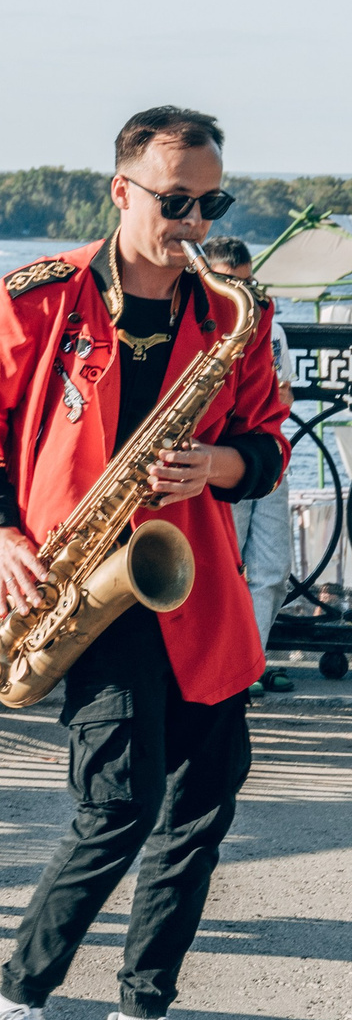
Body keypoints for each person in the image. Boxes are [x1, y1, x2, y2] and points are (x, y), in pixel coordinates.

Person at [0, 106, 288, 1020]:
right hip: (80, 581)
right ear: (121, 191)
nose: (191, 222)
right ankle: (12, 1005)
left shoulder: (232, 312)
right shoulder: (38, 293)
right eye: (172, 200)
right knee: (117, 805)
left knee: (205, 794)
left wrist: (219, 462)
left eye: (209, 202)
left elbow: (267, 440)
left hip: (191, 585)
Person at [203, 235, 297, 696]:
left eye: (248, 282)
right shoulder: (203, 324)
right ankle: (229, 668)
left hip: (264, 457)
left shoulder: (269, 326)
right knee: (229, 561)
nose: (244, 293)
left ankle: (250, 663)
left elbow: (285, 393)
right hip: (222, 461)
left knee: (274, 566)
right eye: (229, 282)